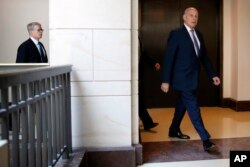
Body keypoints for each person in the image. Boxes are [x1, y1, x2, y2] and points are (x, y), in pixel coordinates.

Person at [160, 7, 220, 151]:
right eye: (191, 15)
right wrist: (165, 80)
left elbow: (204, 57)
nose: (194, 18)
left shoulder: (199, 34)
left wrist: (213, 75)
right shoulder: (176, 34)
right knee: (193, 107)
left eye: (196, 16)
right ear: (184, 17)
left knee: (182, 105)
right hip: (181, 79)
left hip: (193, 78)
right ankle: (205, 139)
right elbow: (169, 58)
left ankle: (174, 129)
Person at [139, 34, 160, 130]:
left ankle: (148, 123)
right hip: (129, 74)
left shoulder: (137, 37)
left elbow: (142, 55)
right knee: (138, 100)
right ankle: (147, 123)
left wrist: (153, 63)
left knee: (138, 100)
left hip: (138, 75)